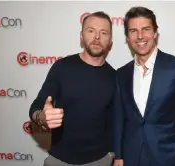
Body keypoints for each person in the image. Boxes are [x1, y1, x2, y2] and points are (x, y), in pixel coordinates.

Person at [113, 6, 175, 166]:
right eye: (133, 31)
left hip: (169, 154)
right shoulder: (121, 74)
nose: (140, 36)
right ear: (127, 37)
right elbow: (119, 117)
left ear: (155, 33)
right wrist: (118, 155)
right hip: (132, 156)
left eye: (146, 29)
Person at [29, 11, 115, 166]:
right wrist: (41, 117)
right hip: (59, 159)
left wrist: (113, 154)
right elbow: (37, 105)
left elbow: (115, 122)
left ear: (110, 41)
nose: (97, 37)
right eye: (91, 31)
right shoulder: (62, 67)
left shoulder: (115, 77)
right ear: (82, 36)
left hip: (100, 160)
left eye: (103, 33)